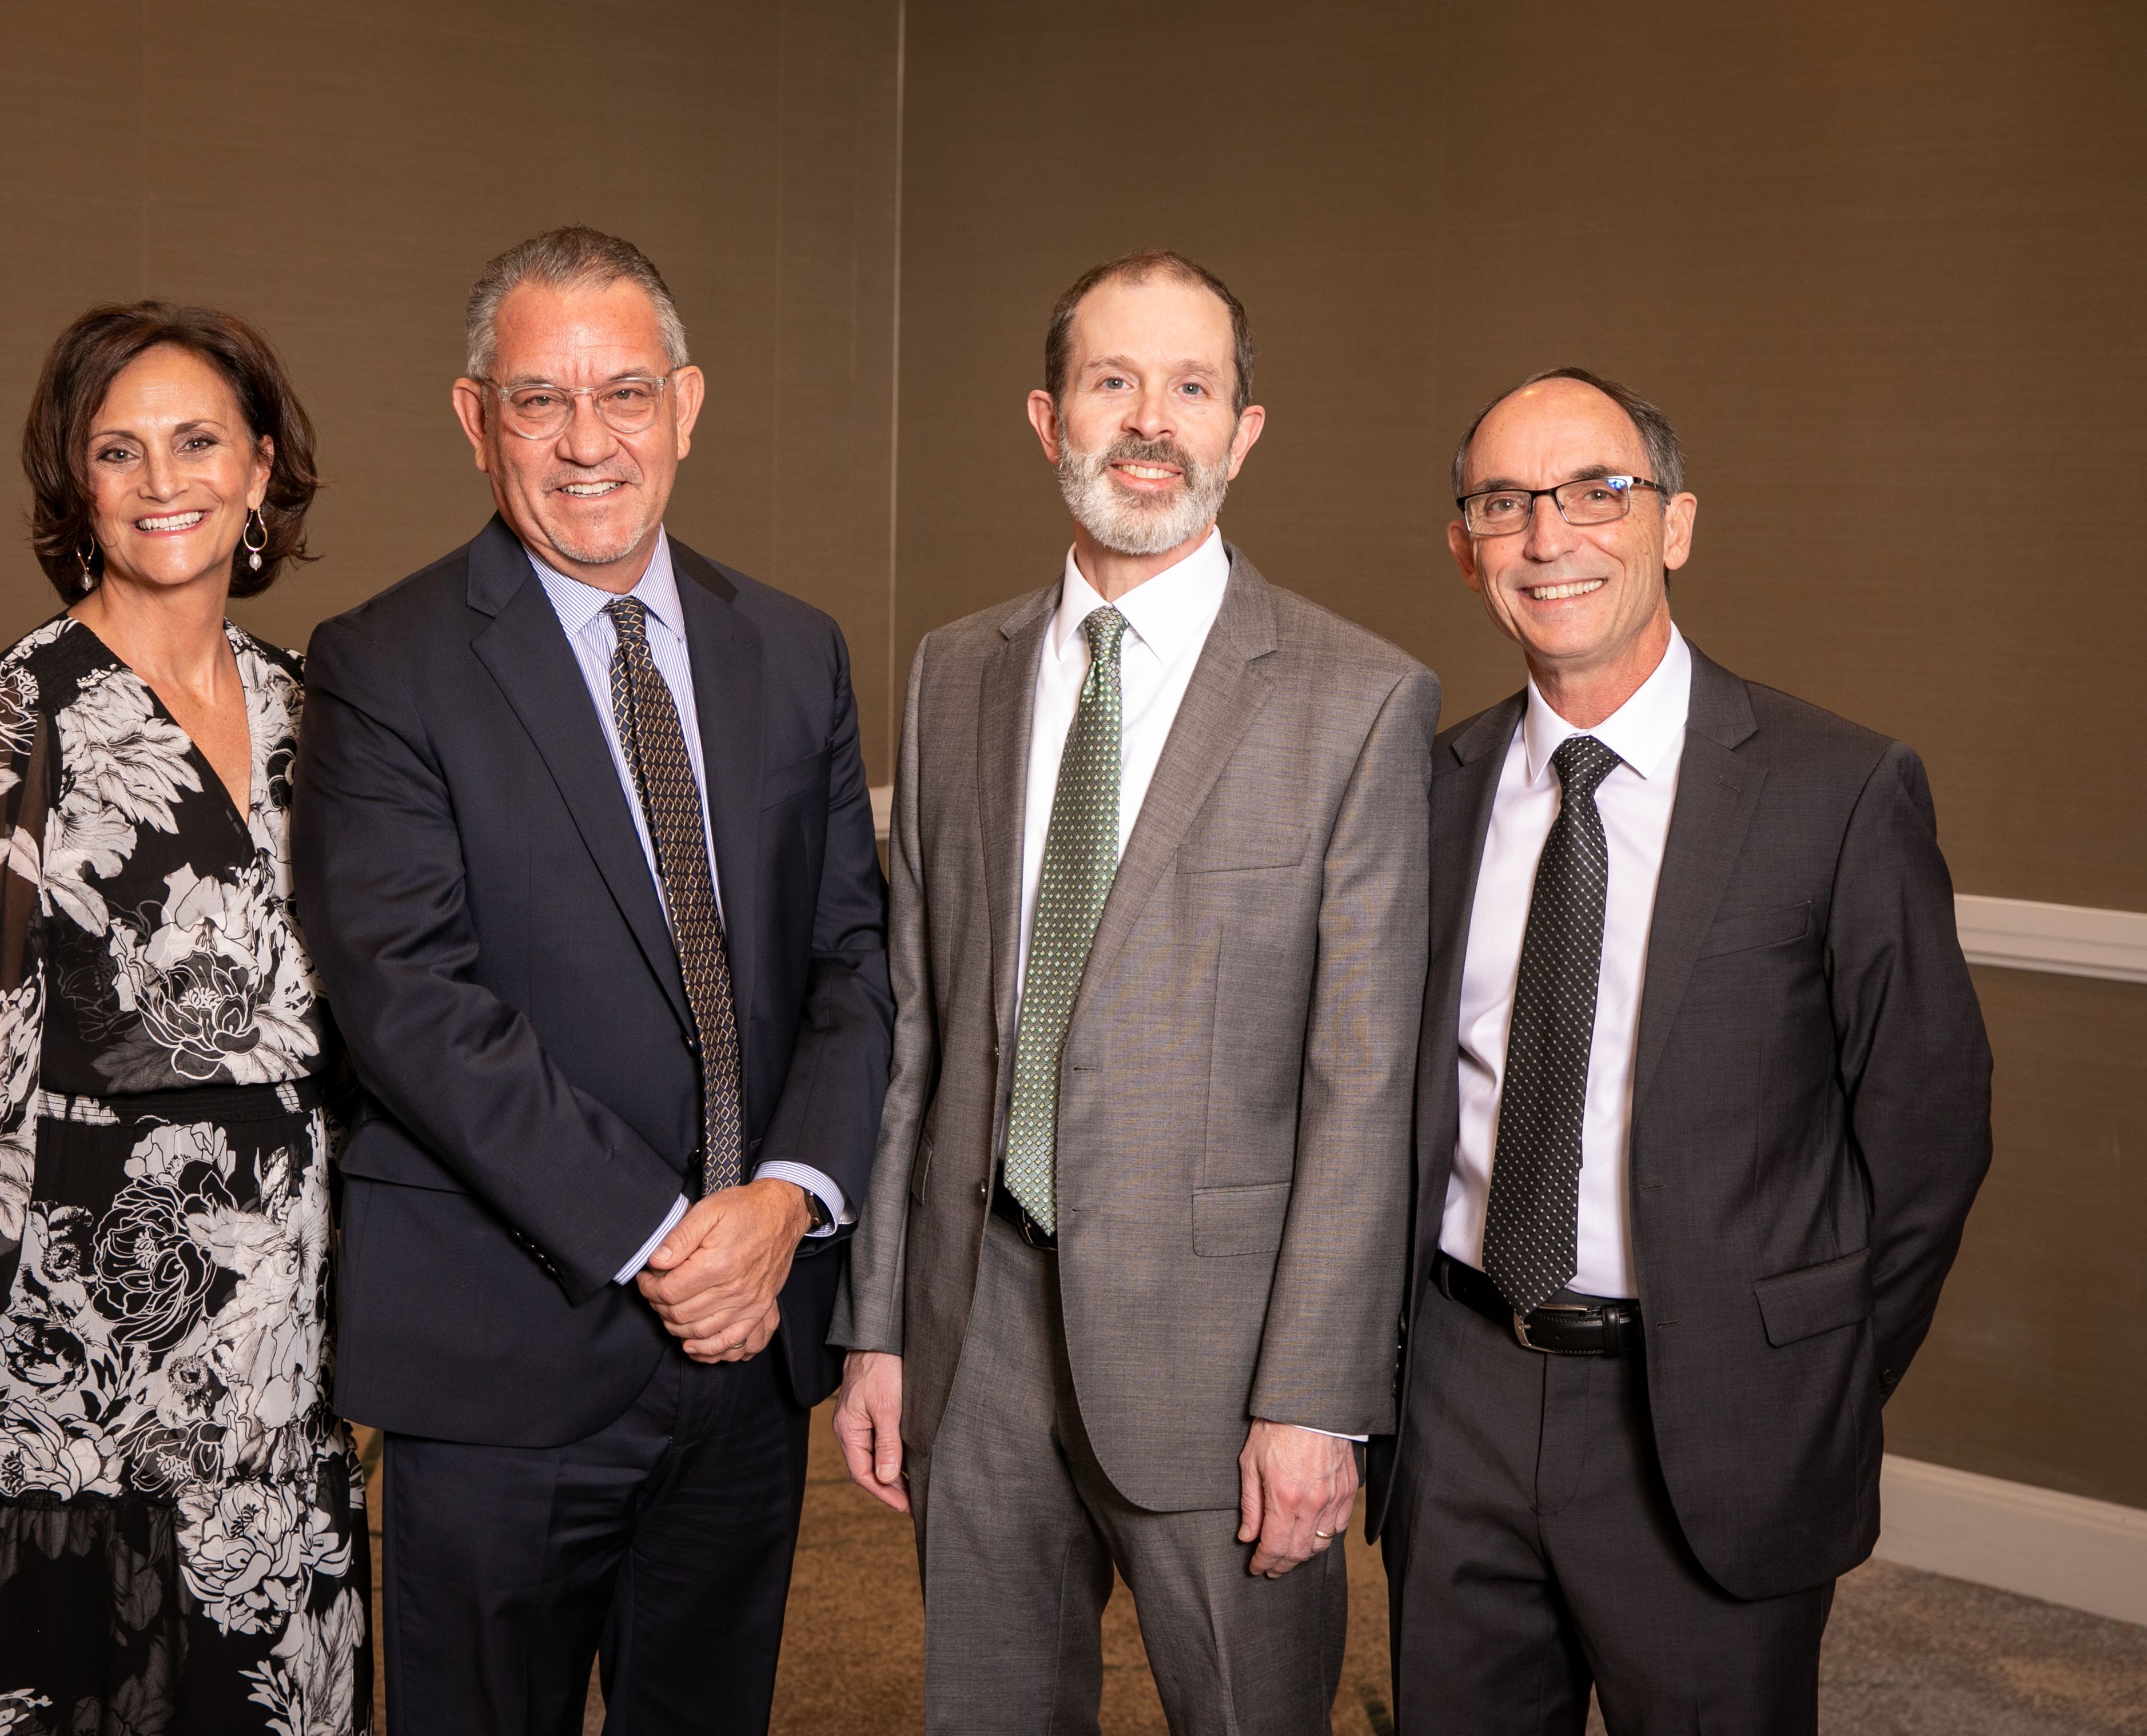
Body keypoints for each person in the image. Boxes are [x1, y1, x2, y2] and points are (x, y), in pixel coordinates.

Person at [289, 226, 892, 1736]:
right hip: (511, 1348)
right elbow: (411, 1000)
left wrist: (782, 1204)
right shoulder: (384, 661)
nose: (584, 441)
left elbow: (851, 956)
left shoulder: (794, 650)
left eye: (622, 394)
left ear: (685, 406)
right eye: (537, 400)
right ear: (472, 415)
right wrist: (665, 1236)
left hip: (750, 1344)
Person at [829, 251, 1437, 1734]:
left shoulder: (1356, 700)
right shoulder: (951, 671)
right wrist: (880, 1324)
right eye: (1112, 380)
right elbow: (920, 1027)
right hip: (977, 1326)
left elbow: (1363, 1090)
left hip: (1224, 1366)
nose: (1148, 419)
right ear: (1048, 418)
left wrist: (1315, 1397)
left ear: (1244, 430)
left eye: (1190, 385)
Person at [1373, 368, 1993, 1733]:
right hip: (1460, 1394)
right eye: (1501, 503)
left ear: (1676, 524)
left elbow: (1930, 1142)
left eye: (1597, 491)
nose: (1549, 537)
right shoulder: (1427, 789)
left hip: (1710, 1417)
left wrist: (1802, 1376)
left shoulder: (1836, 790)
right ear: (1465, 546)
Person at [0, 302, 370, 1734]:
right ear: (76, 484)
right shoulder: (10, 719)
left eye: (198, 441)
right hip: (78, 1354)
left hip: (280, 1354)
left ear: (261, 470)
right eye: (119, 451)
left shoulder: (314, 713)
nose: (164, 482)